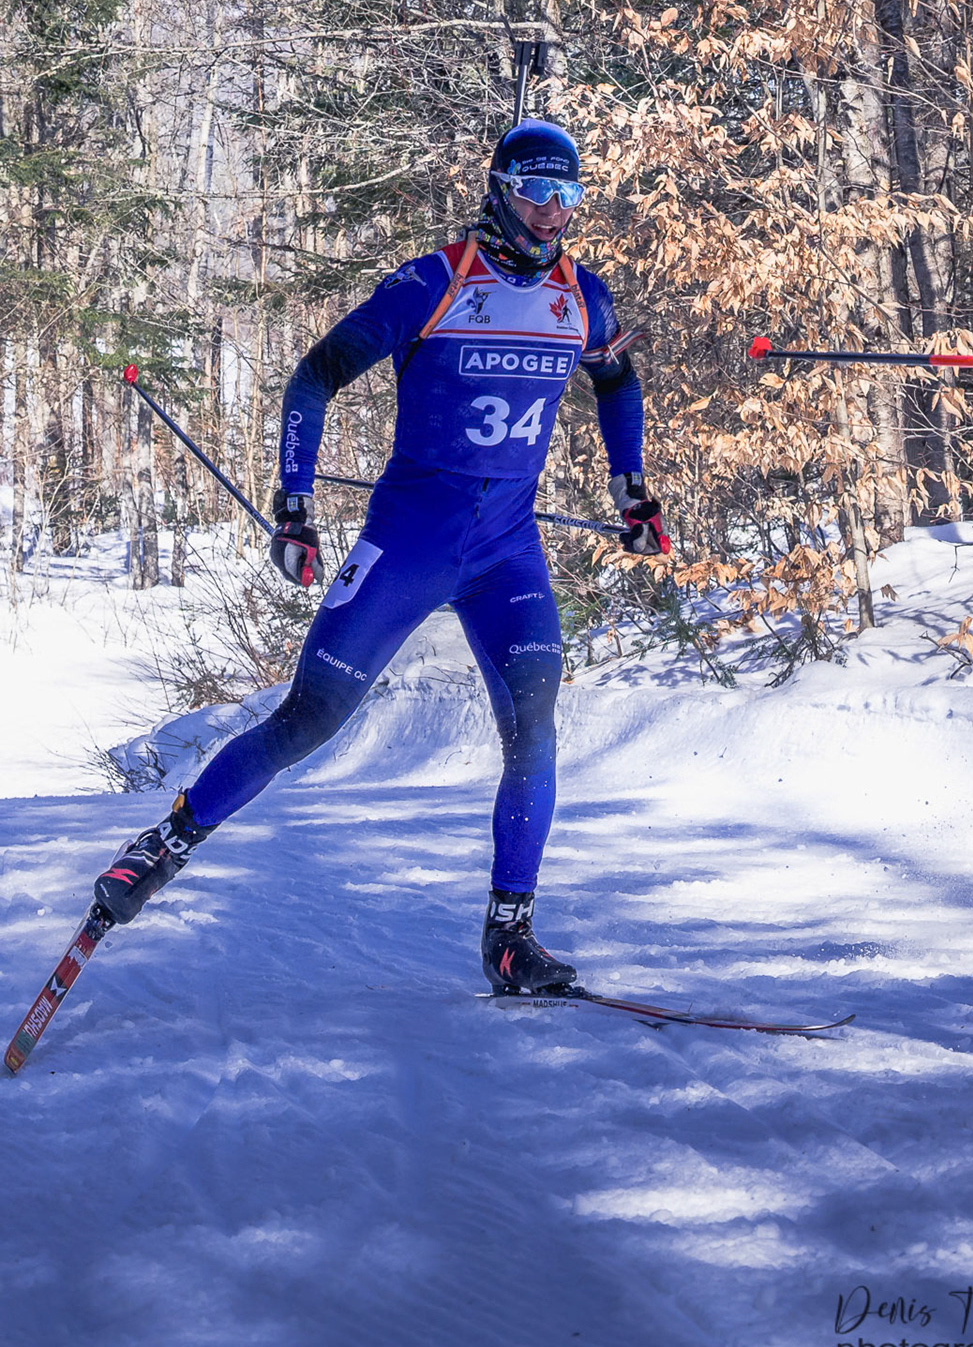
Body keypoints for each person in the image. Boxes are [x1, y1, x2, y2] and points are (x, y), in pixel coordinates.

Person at [92, 119, 668, 996]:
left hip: (508, 554)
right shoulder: (433, 282)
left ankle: (510, 937)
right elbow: (313, 377)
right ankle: (162, 845)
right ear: (499, 192)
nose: (552, 213)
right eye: (535, 193)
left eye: (568, 196)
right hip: (407, 546)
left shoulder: (584, 297)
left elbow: (618, 383)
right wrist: (294, 507)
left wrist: (633, 492)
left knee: (534, 727)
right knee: (309, 719)